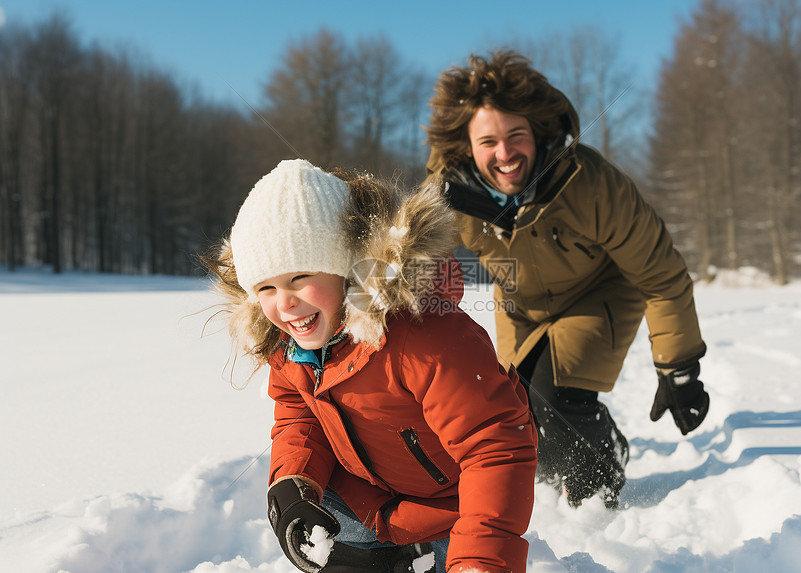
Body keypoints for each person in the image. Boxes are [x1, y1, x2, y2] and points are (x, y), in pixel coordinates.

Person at [204, 159, 537, 573]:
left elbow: (495, 446)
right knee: (330, 526)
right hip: (371, 505)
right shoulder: (290, 345)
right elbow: (300, 418)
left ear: (346, 266)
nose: (284, 303)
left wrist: (481, 560)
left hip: (455, 509)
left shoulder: (424, 339)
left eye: (300, 277)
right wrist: (294, 483)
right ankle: (388, 558)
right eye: (266, 288)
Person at [423, 50, 710, 509]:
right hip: (519, 303)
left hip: (598, 294)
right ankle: (589, 449)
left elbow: (661, 274)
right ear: (465, 147)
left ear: (537, 131)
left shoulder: (591, 184)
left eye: (516, 135)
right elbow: (405, 266)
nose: (504, 153)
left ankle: (597, 498)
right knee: (515, 409)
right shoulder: (447, 196)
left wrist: (678, 366)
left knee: (554, 400)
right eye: (487, 142)